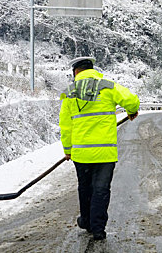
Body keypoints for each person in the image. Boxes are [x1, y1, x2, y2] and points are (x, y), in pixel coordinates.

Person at [59, 56, 140, 241]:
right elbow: (132, 100)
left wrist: (68, 149)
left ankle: (86, 221)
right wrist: (131, 110)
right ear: (92, 69)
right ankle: (98, 229)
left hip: (81, 153)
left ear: (76, 72)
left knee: (85, 188)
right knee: (101, 189)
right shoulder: (107, 86)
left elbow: (65, 124)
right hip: (105, 153)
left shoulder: (69, 92)